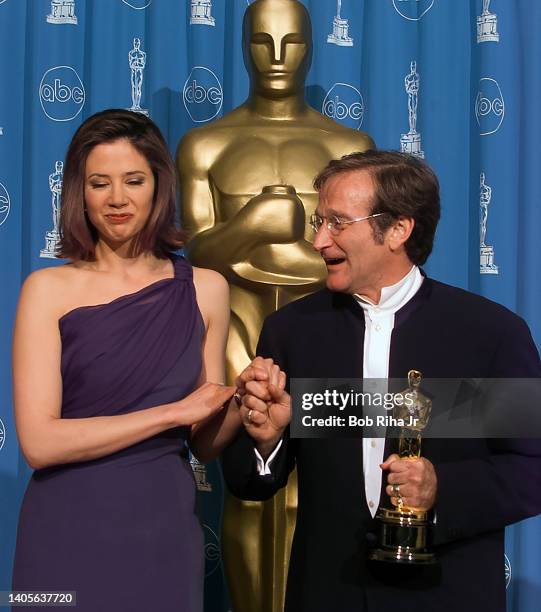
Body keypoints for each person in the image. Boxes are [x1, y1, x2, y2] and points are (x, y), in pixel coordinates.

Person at [222, 150, 541, 612]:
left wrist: (441, 490)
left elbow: (531, 467)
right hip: (329, 594)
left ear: (397, 229)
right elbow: (248, 483)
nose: (318, 241)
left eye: (336, 222)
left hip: (448, 595)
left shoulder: (490, 333)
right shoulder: (291, 330)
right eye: (318, 221)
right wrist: (266, 440)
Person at [177, 1, 373, 607]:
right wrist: (259, 223)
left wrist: (259, 242)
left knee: (320, 481)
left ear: (312, 46)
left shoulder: (349, 144)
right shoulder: (205, 145)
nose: (279, 56)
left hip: (327, 324)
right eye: (263, 42)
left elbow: (361, 253)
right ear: (243, 47)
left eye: (292, 41)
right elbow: (199, 252)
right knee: (245, 484)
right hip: (237, 323)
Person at [12, 109, 240, 612]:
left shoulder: (207, 290)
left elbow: (204, 438)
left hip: (163, 528)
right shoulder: (46, 290)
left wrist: (240, 403)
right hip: (63, 529)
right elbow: (39, 443)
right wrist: (170, 414)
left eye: (133, 180)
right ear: (80, 193)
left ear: (160, 186)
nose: (117, 199)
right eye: (100, 183)